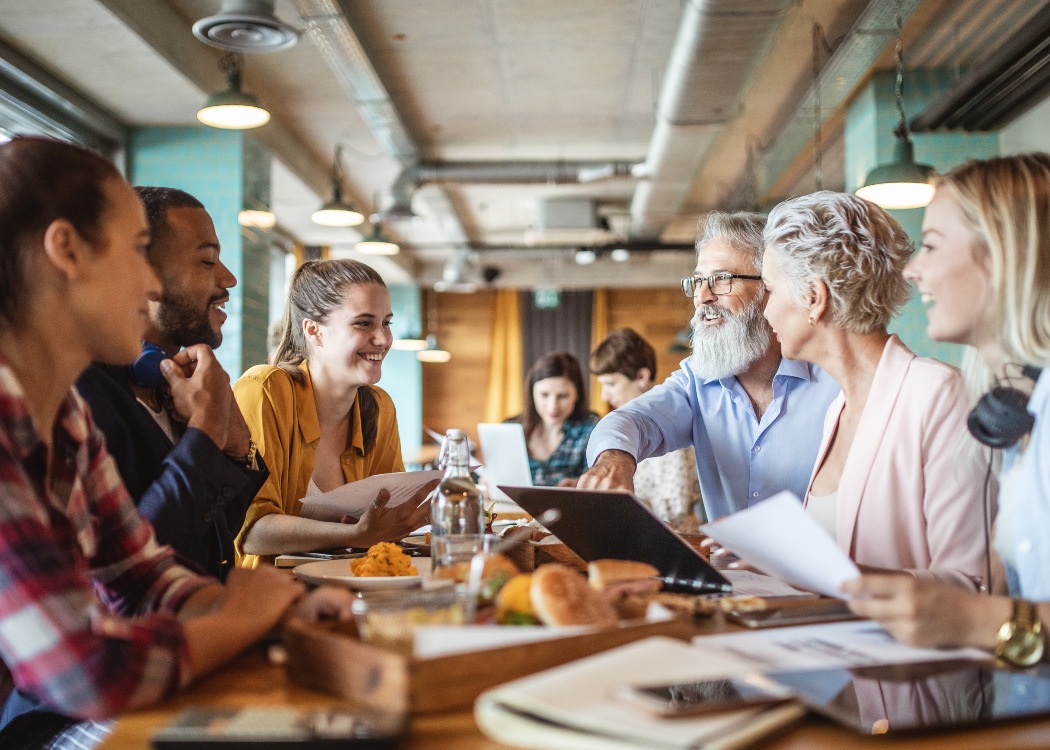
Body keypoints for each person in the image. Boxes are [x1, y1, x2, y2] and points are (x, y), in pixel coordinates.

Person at [0, 137, 350, 749]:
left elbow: (142, 575)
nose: (150, 282)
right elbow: (86, 673)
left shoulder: (67, 417)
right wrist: (240, 617)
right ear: (67, 250)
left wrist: (273, 609)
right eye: (138, 250)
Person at [844, 153, 1050, 662]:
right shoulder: (1018, 409)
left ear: (1006, 253)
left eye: (931, 245)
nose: (913, 271)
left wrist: (971, 618)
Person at [761, 191, 992, 589]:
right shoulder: (837, 408)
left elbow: (974, 583)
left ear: (814, 298)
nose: (765, 311)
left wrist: (823, 572)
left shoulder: (938, 394)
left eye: (770, 289)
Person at [581, 212, 840, 520]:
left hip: (823, 568)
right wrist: (614, 458)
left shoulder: (834, 382)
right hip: (724, 570)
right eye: (698, 281)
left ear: (769, 288)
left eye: (721, 279)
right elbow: (635, 419)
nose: (702, 297)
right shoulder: (697, 379)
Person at [75, 187, 265, 581]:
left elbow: (213, 533)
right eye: (206, 261)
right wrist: (207, 431)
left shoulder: (180, 381)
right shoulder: (83, 394)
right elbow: (135, 568)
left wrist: (237, 447)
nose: (228, 279)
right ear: (141, 273)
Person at [234, 259, 430, 568]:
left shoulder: (379, 407)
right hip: (271, 597)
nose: (383, 339)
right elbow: (252, 532)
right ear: (314, 331)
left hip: (352, 587)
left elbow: (387, 519)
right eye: (363, 323)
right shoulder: (264, 391)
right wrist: (353, 533)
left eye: (386, 323)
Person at [590, 328, 703, 530]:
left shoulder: (669, 424)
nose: (605, 396)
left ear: (642, 376)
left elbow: (674, 513)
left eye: (611, 384)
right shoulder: (627, 430)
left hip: (676, 542)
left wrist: (622, 503)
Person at [507, 351, 598, 486]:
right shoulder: (510, 429)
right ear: (532, 393)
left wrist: (580, 485)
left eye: (562, 396)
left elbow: (598, 484)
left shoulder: (592, 430)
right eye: (544, 395)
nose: (553, 406)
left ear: (577, 394)